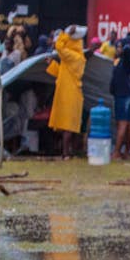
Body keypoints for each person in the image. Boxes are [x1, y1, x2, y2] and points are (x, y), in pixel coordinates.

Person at [47, 25, 87, 160]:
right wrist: (52, 64)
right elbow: (63, 73)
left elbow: (59, 47)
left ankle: (66, 153)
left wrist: (65, 35)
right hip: (68, 91)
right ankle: (68, 151)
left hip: (69, 93)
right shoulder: (75, 57)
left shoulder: (74, 56)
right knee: (67, 125)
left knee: (68, 125)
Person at [110, 34, 130, 160]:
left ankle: (116, 152)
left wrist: (126, 45)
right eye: (117, 47)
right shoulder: (117, 61)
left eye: (119, 47)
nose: (118, 49)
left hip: (124, 95)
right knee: (127, 124)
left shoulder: (126, 61)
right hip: (120, 95)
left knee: (122, 124)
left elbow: (127, 51)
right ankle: (127, 152)